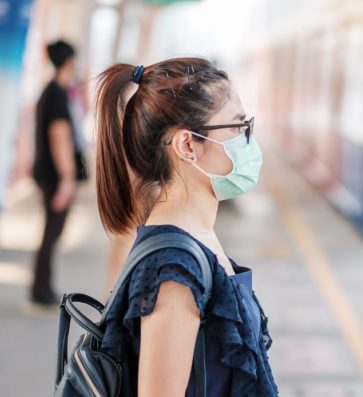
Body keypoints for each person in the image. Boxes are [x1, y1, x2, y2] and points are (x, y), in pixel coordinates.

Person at [94, 58, 278, 396]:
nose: (247, 140)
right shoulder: (173, 267)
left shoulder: (197, 237)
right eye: (237, 128)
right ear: (187, 145)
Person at [29, 39, 85, 307]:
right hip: (54, 175)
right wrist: (67, 177)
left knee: (51, 231)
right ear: (70, 61)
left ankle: (43, 287)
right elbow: (59, 135)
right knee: (52, 232)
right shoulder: (56, 94)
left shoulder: (54, 91)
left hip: (48, 173)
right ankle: (41, 290)